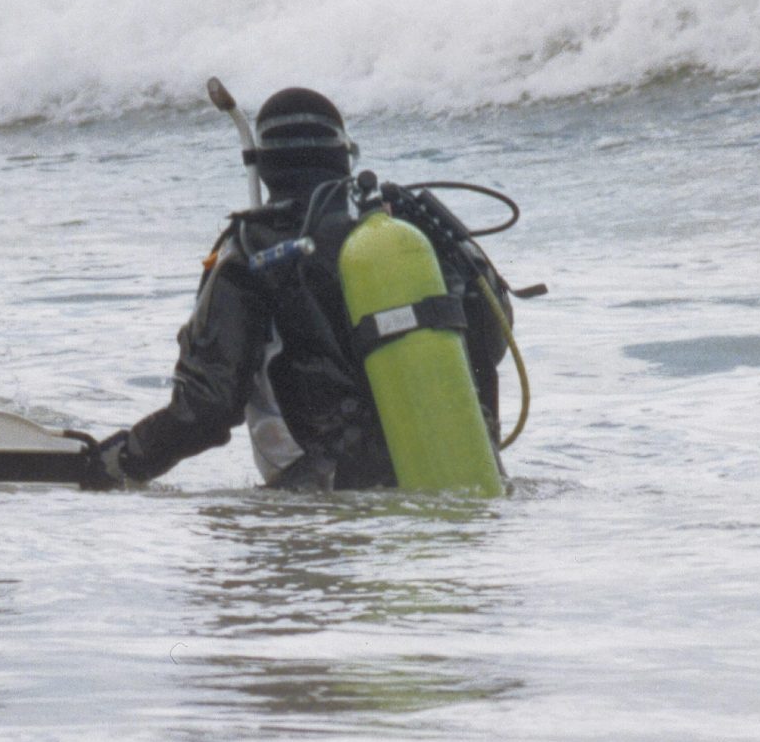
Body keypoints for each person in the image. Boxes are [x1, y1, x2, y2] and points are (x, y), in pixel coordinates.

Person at [84, 87, 512, 490]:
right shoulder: (417, 228)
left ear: (265, 166)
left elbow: (207, 406)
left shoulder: (254, 252)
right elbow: (492, 340)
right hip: (466, 471)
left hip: (324, 495)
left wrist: (117, 462)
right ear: (344, 155)